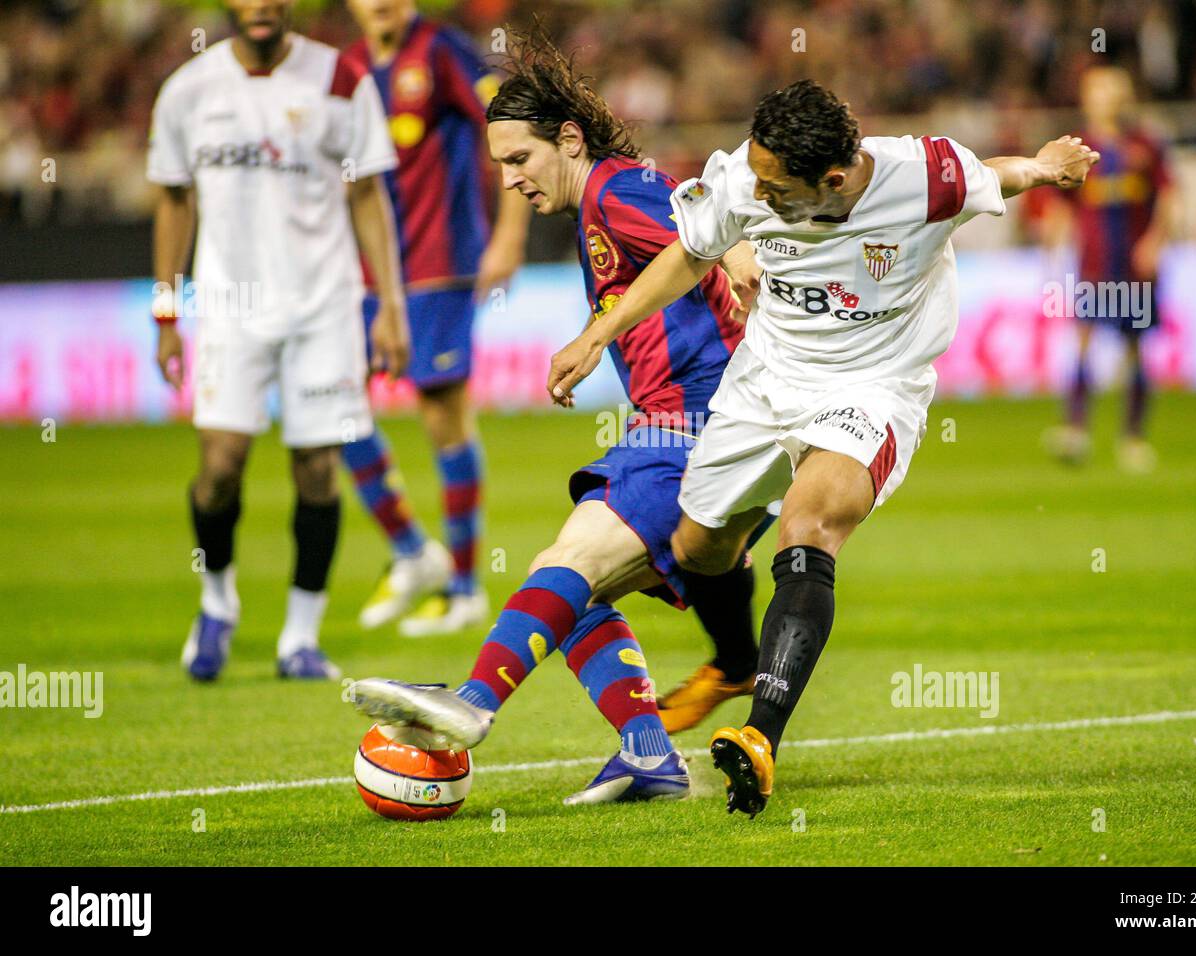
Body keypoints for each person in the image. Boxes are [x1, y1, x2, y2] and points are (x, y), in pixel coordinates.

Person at [547, 80, 1100, 815]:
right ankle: (739, 663)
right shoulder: (749, 174)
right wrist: (596, 335)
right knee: (697, 546)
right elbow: (689, 253)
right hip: (766, 377)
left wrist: (1043, 164)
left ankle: (760, 737)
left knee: (808, 525)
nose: (759, 198)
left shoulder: (924, 176)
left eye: (778, 191)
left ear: (833, 181)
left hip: (872, 389)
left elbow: (995, 174)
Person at [349, 28, 767, 804]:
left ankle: (471, 704)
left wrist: (734, 251)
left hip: (696, 426)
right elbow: (698, 218)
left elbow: (699, 222)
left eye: (520, 160)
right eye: (499, 165)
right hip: (701, 428)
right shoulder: (602, 196)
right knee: (576, 595)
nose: (509, 180)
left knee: (563, 569)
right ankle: (649, 754)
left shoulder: (611, 189)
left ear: (568, 139)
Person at [149, 0, 408, 680]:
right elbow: (174, 200)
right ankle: (217, 600)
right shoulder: (188, 91)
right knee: (220, 468)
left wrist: (391, 306)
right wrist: (166, 312)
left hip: (324, 305)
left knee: (318, 468)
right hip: (231, 310)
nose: (261, 6)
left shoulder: (342, 79)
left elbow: (366, 197)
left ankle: (300, 636)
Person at [341, 0, 533, 635]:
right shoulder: (349, 67)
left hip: (438, 264)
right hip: (365, 272)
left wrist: (508, 233)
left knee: (441, 414)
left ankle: (464, 587)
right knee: (332, 406)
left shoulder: (443, 51)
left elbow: (509, 124)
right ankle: (411, 551)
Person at [1040, 66, 1176, 472]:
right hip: (1094, 266)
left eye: (1108, 90)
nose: (1101, 98)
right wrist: (1052, 237)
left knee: (1134, 350)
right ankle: (1076, 430)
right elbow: (1063, 203)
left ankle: (1133, 439)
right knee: (1083, 341)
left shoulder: (1145, 146)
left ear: (1123, 96)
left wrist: (1155, 240)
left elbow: (1169, 196)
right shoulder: (1081, 149)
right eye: (1095, 91)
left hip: (1134, 267)